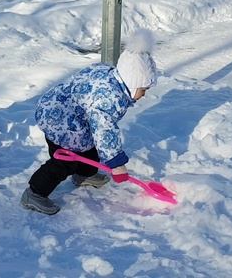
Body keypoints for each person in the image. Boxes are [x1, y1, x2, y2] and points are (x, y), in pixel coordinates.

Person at [21, 30, 158, 215]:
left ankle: (83, 174)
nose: (144, 94)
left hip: (61, 110)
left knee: (90, 149)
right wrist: (116, 164)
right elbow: (104, 130)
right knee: (64, 162)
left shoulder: (109, 73)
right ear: (132, 83)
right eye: (143, 89)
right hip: (61, 122)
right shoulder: (111, 99)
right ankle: (35, 193)